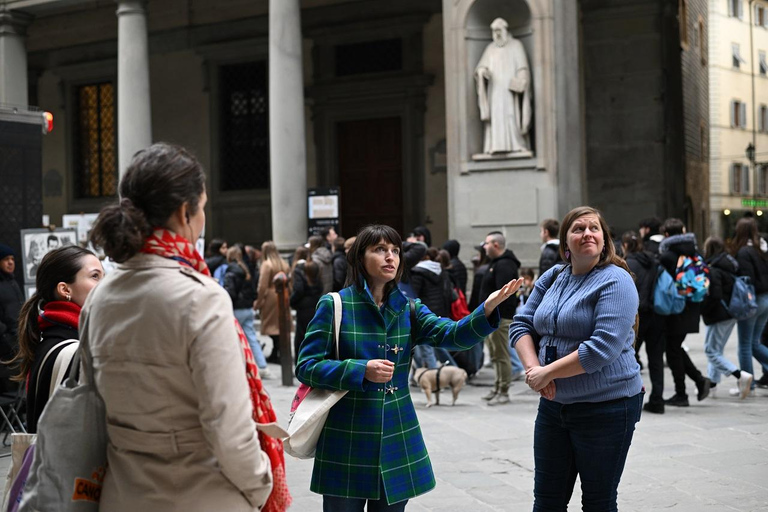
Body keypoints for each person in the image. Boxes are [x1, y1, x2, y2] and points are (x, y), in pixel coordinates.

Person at [84, 143, 278, 512]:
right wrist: (260, 487)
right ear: (185, 212)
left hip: (123, 493)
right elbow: (230, 431)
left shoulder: (101, 295)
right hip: (202, 493)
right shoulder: (201, 299)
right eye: (202, 208)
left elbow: (91, 407)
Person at [295, 224, 522, 511]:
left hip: (396, 435)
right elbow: (307, 366)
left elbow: (452, 335)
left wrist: (486, 310)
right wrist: (359, 369)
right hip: (347, 436)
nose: (390, 257)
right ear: (359, 258)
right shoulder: (335, 305)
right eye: (380, 250)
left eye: (395, 251)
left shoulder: (409, 308)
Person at [509, 206, 643, 511]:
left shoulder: (616, 281)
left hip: (606, 407)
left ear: (605, 240)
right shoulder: (554, 276)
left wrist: (548, 373)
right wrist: (534, 370)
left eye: (594, 228)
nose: (587, 234)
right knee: (546, 501)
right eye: (578, 229)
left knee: (598, 502)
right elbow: (521, 324)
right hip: (554, 408)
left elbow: (602, 348)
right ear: (565, 243)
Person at [11, 246, 103, 432]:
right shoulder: (75, 351)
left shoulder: (51, 338)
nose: (105, 284)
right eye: (95, 276)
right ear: (64, 289)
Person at [659, 218, 711, 406]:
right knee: (675, 348)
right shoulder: (694, 251)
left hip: (675, 308)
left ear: (666, 234)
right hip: (692, 305)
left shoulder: (667, 256)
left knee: (672, 350)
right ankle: (698, 380)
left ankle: (682, 394)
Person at [702, 236, 753, 399]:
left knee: (710, 351)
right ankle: (711, 385)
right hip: (731, 312)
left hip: (719, 314)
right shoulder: (729, 264)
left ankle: (740, 376)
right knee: (717, 350)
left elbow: (714, 295)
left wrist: (703, 309)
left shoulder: (714, 268)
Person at [622, 231, 666, 413]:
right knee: (656, 359)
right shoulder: (655, 261)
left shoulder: (628, 264)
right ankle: (657, 400)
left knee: (629, 356)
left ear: (625, 246)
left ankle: (629, 396)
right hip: (657, 314)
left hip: (638, 317)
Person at [474, 17, 532, 154]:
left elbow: (522, 68)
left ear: (505, 30)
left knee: (511, 115)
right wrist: (483, 72)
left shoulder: (516, 45)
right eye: (494, 31)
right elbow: (481, 68)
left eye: (499, 30)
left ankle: (516, 144)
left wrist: (522, 80)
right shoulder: (490, 49)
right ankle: (495, 145)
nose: (497, 34)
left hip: (510, 91)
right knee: (496, 117)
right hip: (494, 91)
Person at [479, 231, 522, 404]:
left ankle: (503, 390)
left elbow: (504, 295)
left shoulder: (504, 265)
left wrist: (496, 316)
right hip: (491, 317)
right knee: (495, 354)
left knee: (501, 354)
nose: (484, 246)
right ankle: (497, 386)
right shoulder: (495, 263)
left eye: (487, 243)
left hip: (500, 318)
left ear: (496, 245)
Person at [730, 217, 768, 392]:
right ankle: (750, 382)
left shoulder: (744, 252)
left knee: (745, 344)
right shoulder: (762, 249)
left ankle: (748, 383)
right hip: (765, 299)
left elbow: (747, 280)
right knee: (754, 343)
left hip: (753, 301)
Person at [223, 245, 270, 378]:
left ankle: (238, 367)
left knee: (233, 338)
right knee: (251, 338)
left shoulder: (231, 270)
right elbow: (252, 290)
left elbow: (230, 291)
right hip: (247, 309)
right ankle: (262, 366)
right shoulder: (245, 269)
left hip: (237, 309)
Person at [256, 240, 290, 364]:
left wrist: (258, 301)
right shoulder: (284, 263)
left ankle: (276, 352)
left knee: (272, 327)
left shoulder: (266, 264)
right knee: (279, 326)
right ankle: (278, 351)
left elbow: (262, 285)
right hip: (282, 295)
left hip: (270, 297)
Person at [290, 248, 323, 362]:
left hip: (304, 306)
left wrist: (292, 302)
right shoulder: (314, 266)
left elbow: (298, 289)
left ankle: (302, 361)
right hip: (314, 303)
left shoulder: (299, 269)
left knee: (301, 336)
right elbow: (321, 285)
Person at [0, 244, 23, 393]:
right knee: (9, 387)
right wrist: (7, 338)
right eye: (6, 259)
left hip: (19, 340)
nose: (10, 262)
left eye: (12, 259)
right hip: (6, 346)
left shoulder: (13, 282)